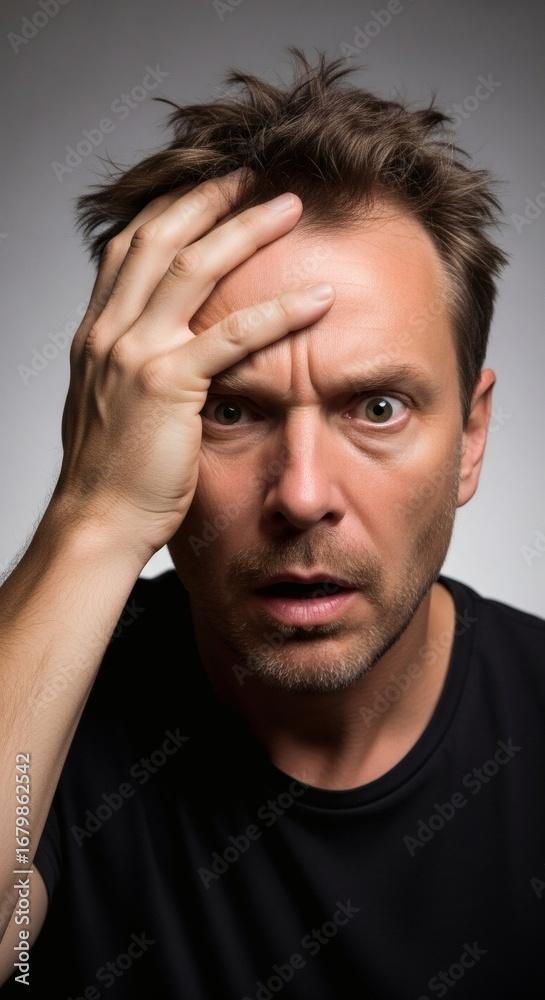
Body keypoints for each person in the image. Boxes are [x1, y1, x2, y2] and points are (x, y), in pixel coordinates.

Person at [0, 46, 543, 999]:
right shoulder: (49, 732)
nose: (300, 494)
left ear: (470, 438)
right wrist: (94, 515)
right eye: (227, 410)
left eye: (377, 408)